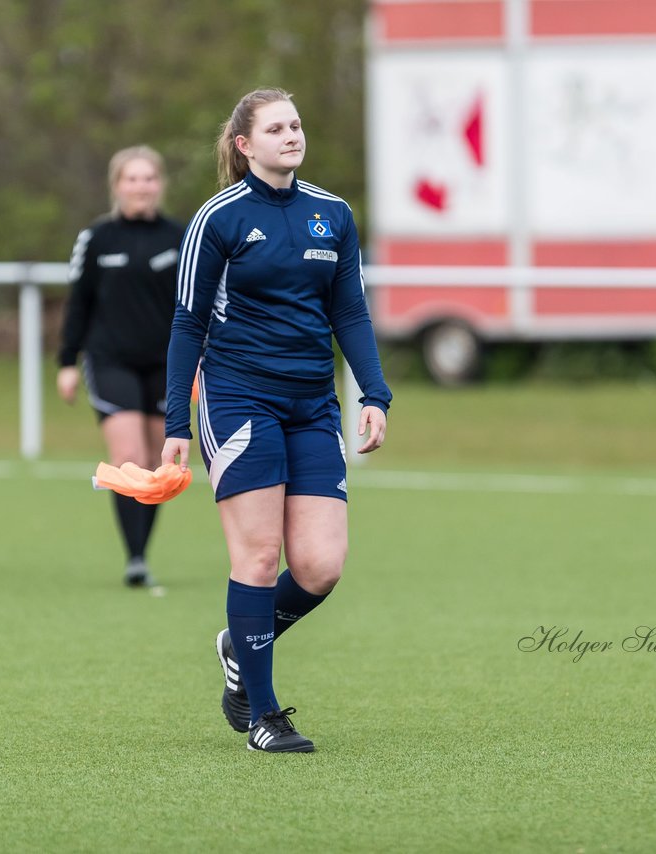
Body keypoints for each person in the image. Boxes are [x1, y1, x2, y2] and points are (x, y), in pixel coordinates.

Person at [162, 88, 391, 753]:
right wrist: (178, 422)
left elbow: (351, 312)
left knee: (320, 566)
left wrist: (373, 394)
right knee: (259, 557)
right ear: (245, 145)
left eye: (296, 124)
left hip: (312, 405)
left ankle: (239, 643)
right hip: (238, 401)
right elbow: (186, 324)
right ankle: (264, 714)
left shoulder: (333, 213)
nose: (292, 135)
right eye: (276, 128)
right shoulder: (220, 218)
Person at [56, 146, 184, 588]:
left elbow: (195, 306)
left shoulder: (180, 236)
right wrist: (66, 362)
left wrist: (201, 363)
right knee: (129, 457)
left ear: (160, 184)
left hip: (167, 362)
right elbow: (79, 304)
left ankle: (142, 552)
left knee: (155, 463)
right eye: (132, 179)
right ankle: (134, 559)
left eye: (149, 178)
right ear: (117, 186)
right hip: (109, 359)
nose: (141, 186)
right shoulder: (96, 239)